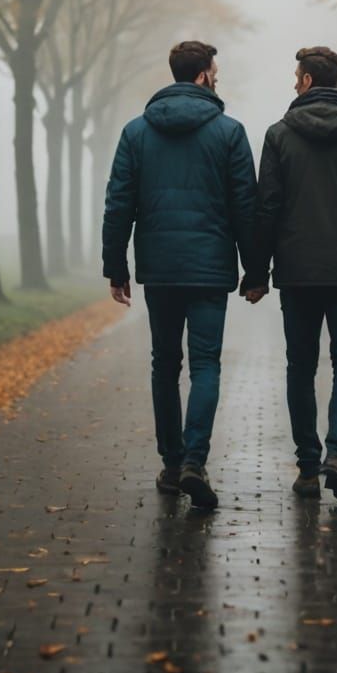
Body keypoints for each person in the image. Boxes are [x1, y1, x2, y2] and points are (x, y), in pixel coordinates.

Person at [101, 40, 258, 510]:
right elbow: (246, 208)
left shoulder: (136, 132)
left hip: (161, 269)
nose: (218, 76)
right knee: (206, 363)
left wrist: (116, 267)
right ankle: (195, 459)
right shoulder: (230, 133)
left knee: (165, 365)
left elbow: (118, 204)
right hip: (210, 269)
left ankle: (171, 464)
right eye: (216, 70)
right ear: (205, 76)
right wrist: (255, 270)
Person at [243, 45, 337, 503]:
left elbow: (266, 207)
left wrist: (257, 272)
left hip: (298, 271)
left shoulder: (279, 135)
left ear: (309, 81)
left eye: (297, 76)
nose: (294, 82)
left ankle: (308, 468)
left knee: (301, 365)